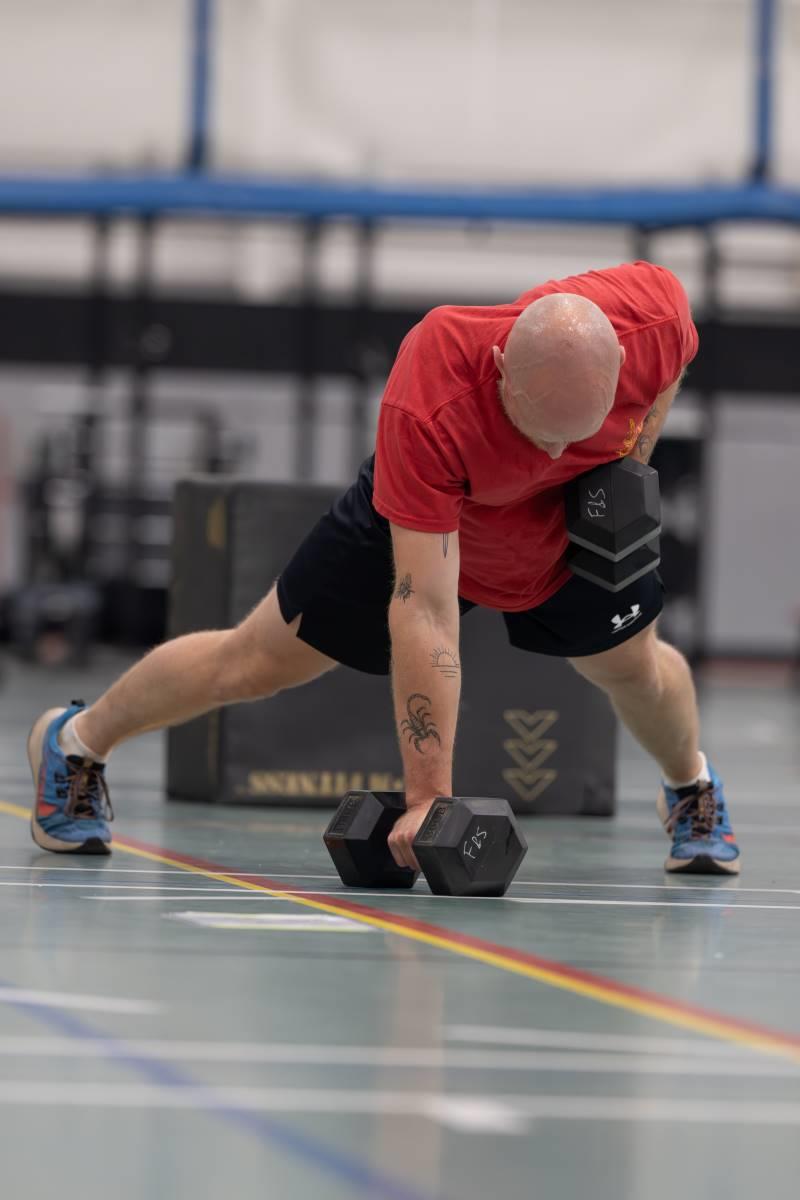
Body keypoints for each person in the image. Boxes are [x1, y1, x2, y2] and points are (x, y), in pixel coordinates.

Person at [27, 260, 739, 876]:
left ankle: (691, 790)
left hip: (559, 527)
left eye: (572, 435)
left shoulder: (651, 316)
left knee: (634, 667)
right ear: (501, 369)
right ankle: (75, 743)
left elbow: (673, 366)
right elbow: (424, 610)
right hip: (430, 524)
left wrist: (629, 464)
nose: (553, 452)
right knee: (253, 661)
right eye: (540, 432)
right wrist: (428, 798)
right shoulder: (436, 388)